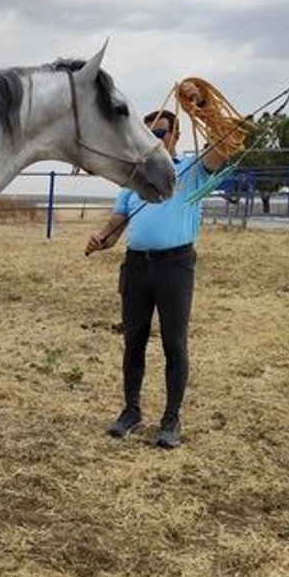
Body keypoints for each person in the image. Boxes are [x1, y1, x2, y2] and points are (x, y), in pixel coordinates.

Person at [84, 108, 230, 448]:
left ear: (176, 136)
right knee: (133, 341)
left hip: (175, 267)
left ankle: (171, 419)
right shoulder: (135, 178)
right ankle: (131, 411)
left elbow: (224, 147)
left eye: (161, 133)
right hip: (136, 266)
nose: (155, 139)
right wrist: (101, 239)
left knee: (174, 344)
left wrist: (202, 108)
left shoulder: (192, 171)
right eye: (149, 134)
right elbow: (118, 221)